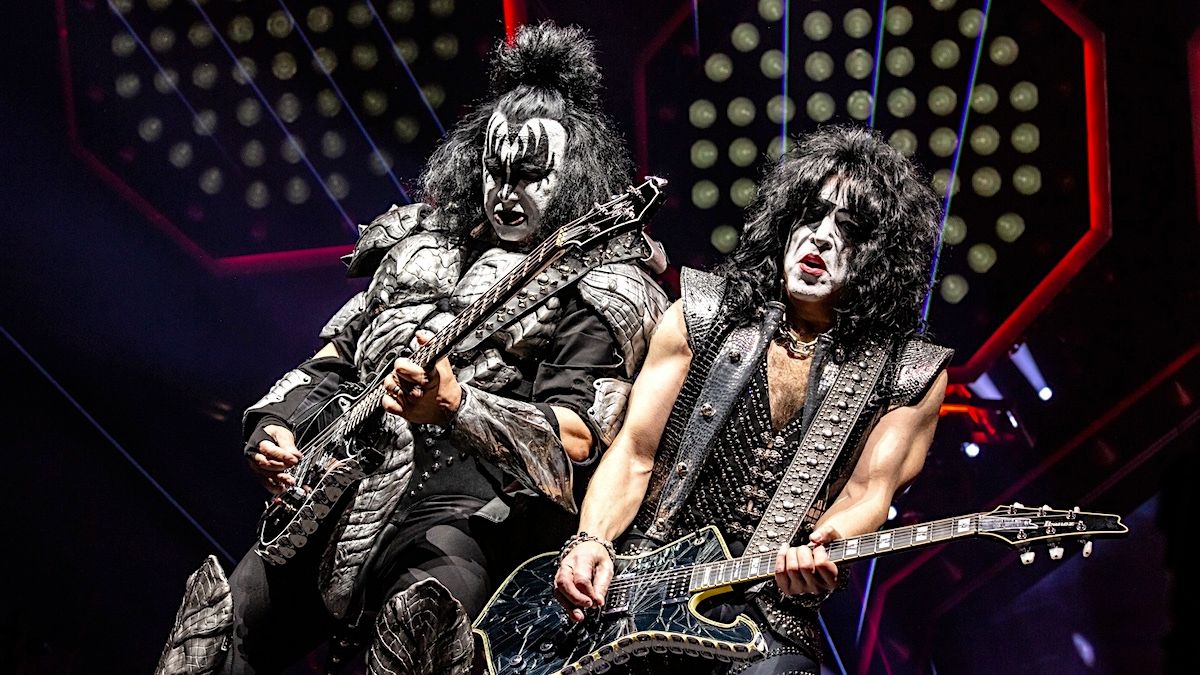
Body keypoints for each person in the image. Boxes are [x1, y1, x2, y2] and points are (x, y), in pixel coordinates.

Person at [156, 22, 669, 675]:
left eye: (529, 174)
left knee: (418, 635)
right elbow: (337, 357)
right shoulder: (418, 244)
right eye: (495, 169)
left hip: (470, 513)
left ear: (573, 174)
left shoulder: (605, 282)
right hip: (335, 491)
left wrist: (460, 406)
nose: (506, 191)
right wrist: (278, 427)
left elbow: (578, 440)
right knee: (207, 641)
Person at [553, 124, 953, 674]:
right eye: (811, 215)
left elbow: (868, 492)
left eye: (850, 228)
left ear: (882, 257)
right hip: (641, 584)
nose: (821, 237)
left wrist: (827, 545)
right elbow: (635, 451)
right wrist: (591, 541)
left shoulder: (908, 372)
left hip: (769, 613)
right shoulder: (702, 312)